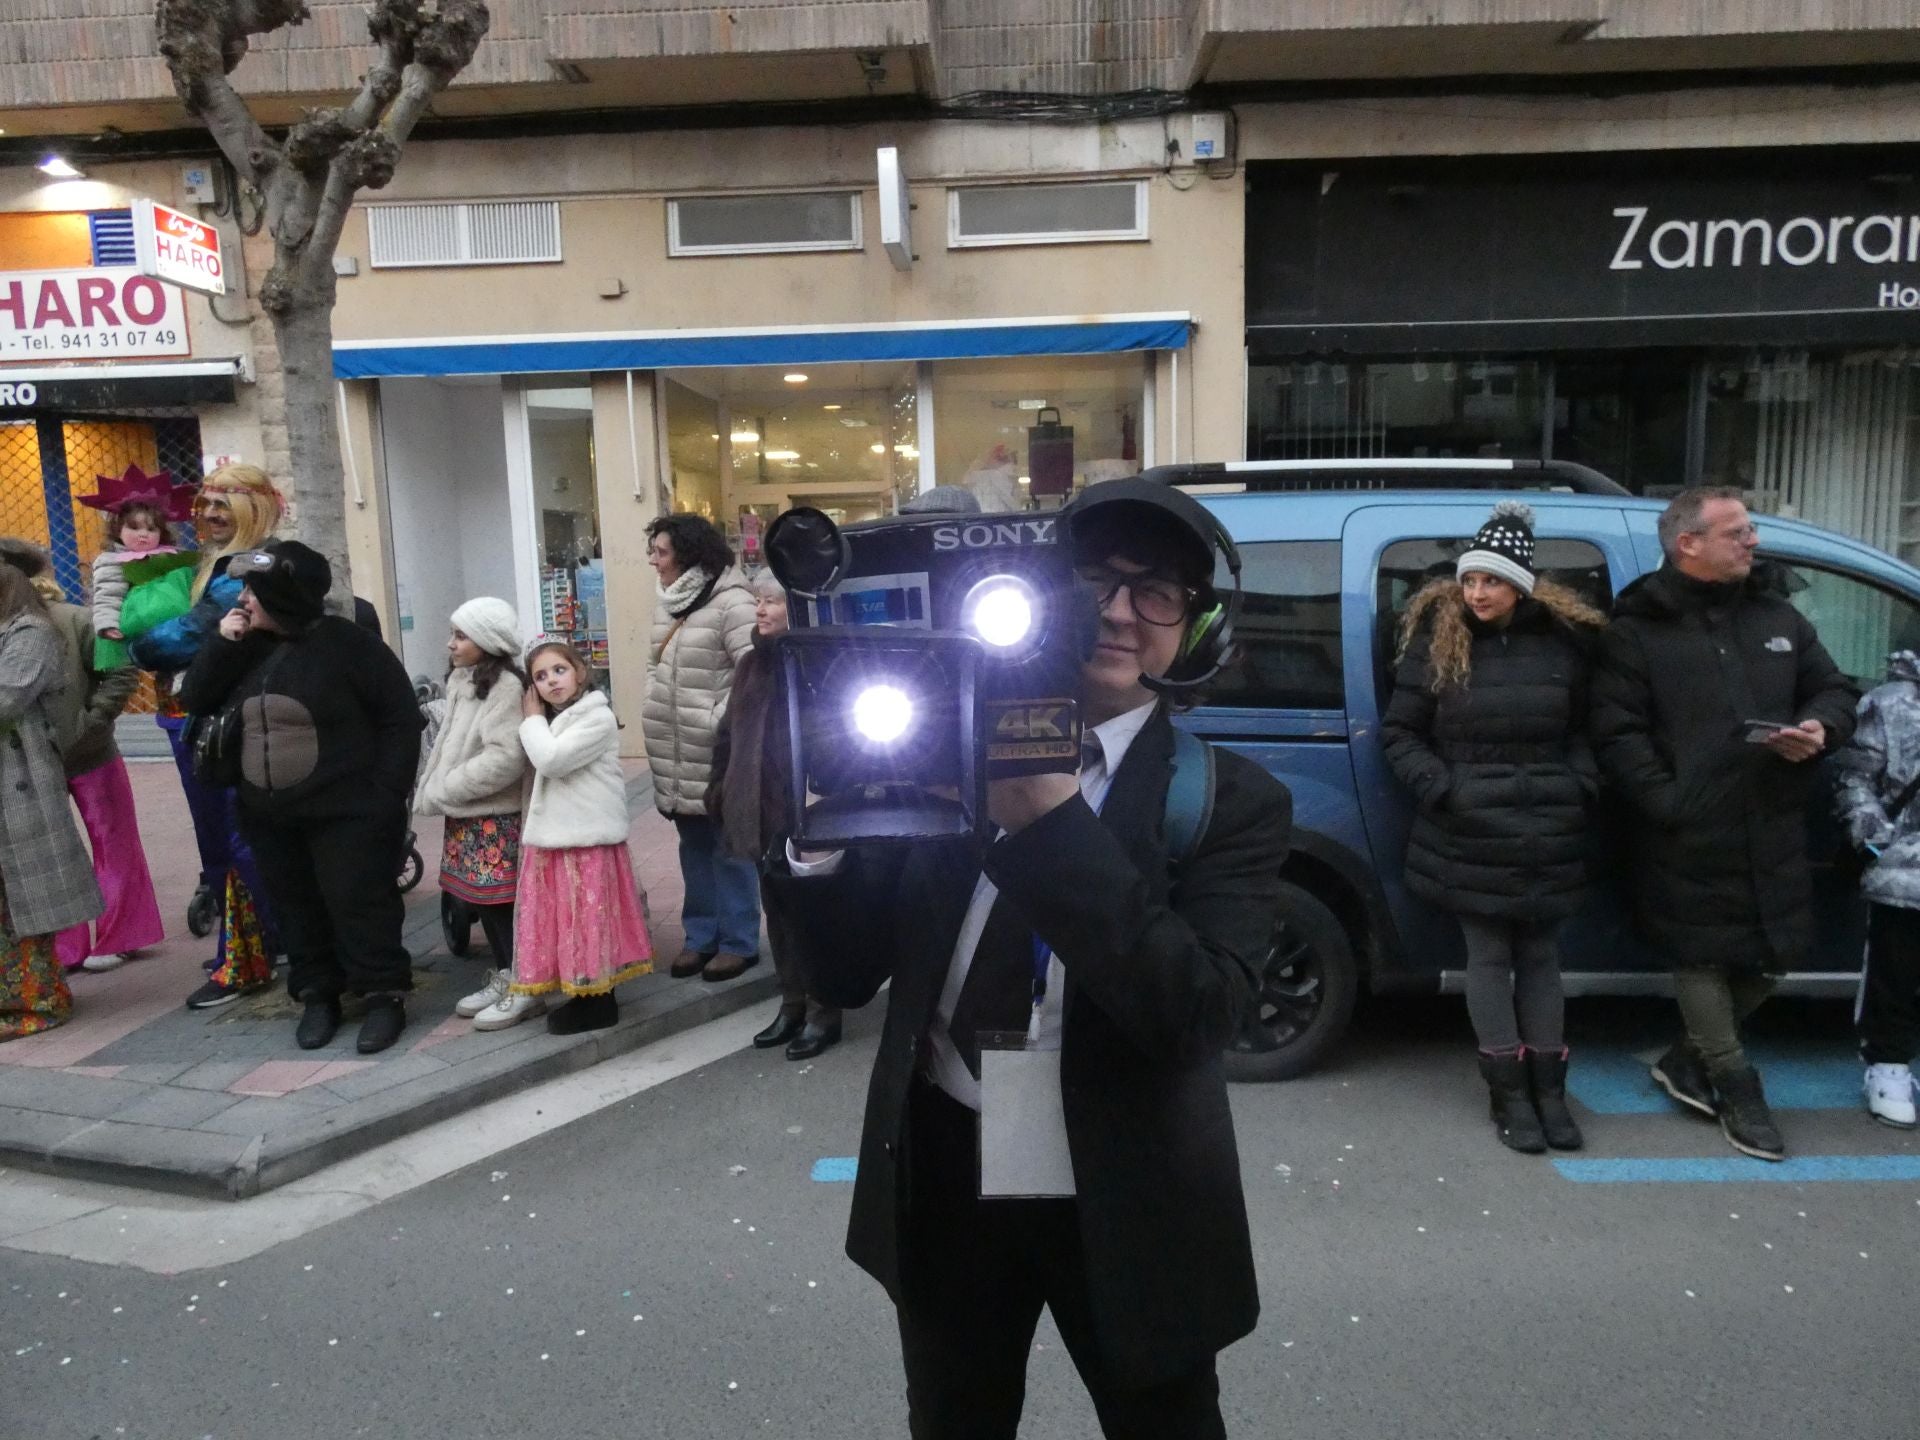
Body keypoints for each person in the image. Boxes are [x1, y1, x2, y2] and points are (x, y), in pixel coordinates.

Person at [769, 481, 1291, 1439]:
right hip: (948, 1167)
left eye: (1157, 592)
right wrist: (819, 836)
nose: (1120, 613)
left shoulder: (1230, 802)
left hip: (1132, 1190)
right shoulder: (948, 754)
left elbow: (1198, 1014)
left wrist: (1050, 819)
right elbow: (844, 975)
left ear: (1198, 625)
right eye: (1092, 582)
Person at [1592, 486, 1858, 1161]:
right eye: (1738, 532)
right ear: (1689, 543)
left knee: (1775, 953)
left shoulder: (1778, 616)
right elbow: (1616, 732)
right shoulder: (1638, 629)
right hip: (1684, 829)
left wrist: (1819, 728)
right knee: (1701, 955)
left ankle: (1685, 1059)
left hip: (1770, 818)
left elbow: (1835, 690)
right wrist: (1668, 801)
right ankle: (1737, 1084)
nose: (1754, 542)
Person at [1380, 502, 1606, 1153]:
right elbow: (1401, 732)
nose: (1477, 592)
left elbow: (1589, 728)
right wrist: (1445, 789)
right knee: (1488, 957)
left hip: (1551, 828)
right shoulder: (1438, 639)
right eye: (1471, 579)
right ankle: (1508, 1095)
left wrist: (1580, 784)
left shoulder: (1565, 643)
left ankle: (1550, 1095)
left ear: (1522, 585)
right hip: (1469, 832)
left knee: (1541, 959)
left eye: (1493, 581)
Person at [178, 540, 423, 1053]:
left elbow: (401, 719)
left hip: (348, 813)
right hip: (268, 815)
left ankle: (382, 995)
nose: (243, 599)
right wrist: (222, 642)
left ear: (285, 596)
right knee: (298, 907)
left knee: (360, 902)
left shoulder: (350, 646)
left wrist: (385, 796)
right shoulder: (243, 645)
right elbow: (196, 698)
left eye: (253, 590)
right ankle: (319, 996)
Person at [127, 463, 285, 1004]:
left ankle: (245, 958)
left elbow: (176, 640)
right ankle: (259, 943)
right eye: (207, 505)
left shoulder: (247, 568)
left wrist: (140, 644)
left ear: (256, 508)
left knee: (232, 840)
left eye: (226, 504)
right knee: (225, 840)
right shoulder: (214, 564)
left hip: (228, 723)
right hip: (206, 719)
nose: (213, 515)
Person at [0, 540, 161, 975]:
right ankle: (66, 947)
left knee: (113, 841)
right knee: (53, 853)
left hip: (90, 753)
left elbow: (121, 670)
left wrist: (94, 721)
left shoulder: (73, 619)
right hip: (34, 764)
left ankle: (122, 935)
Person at [476, 640, 652, 1034]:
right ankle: (582, 995)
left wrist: (531, 720)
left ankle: (598, 1002)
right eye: (540, 676)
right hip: (560, 837)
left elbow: (553, 761)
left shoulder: (595, 716)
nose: (551, 681)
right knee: (570, 922)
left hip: (586, 839)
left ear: (579, 671)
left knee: (588, 919)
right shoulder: (560, 718)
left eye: (559, 670)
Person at [709, 572, 841, 1061]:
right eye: (758, 601)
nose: (760, 611)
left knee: (816, 914)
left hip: (806, 808)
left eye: (771, 602)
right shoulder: (750, 665)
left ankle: (825, 1009)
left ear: (800, 609)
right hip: (758, 808)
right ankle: (791, 1001)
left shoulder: (817, 664)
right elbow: (728, 735)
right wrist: (720, 791)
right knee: (779, 912)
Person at [640, 513, 759, 982]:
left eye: (661, 552)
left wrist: (714, 719)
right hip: (675, 749)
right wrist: (653, 700)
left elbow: (753, 672)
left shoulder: (733, 603)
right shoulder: (668, 603)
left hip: (717, 748)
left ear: (689, 555)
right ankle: (700, 937)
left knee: (729, 846)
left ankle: (739, 942)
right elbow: (654, 664)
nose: (653, 560)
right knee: (693, 845)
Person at [415, 598, 531, 1024]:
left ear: (486, 640)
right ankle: (506, 973)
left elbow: (506, 757)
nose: (451, 644)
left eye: (461, 635)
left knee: (502, 905)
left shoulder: (504, 686)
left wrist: (451, 786)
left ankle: (523, 980)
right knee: (483, 904)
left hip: (492, 817)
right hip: (470, 815)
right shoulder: (467, 681)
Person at [0, 564, 103, 1041]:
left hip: (18, 783)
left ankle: (38, 1001)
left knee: (22, 897)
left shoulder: (32, 633)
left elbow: (8, 696)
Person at [1833, 650, 1920, 1128]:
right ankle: (1888, 1064)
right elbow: (1856, 777)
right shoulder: (1889, 703)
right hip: (1907, 863)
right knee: (1896, 968)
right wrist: (1876, 838)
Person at [76, 462, 194, 670]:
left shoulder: (171, 558)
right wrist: (107, 625)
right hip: (137, 631)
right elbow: (107, 595)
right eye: (134, 527)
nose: (143, 534)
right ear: (117, 530)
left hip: (175, 630)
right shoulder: (112, 561)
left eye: (151, 529)